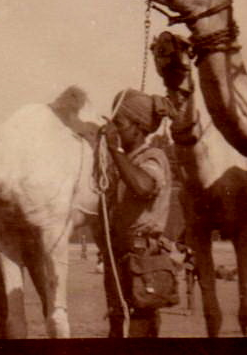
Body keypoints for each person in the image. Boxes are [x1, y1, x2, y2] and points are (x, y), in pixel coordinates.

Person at [97, 88, 175, 338]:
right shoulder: (125, 162)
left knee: (139, 328)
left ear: (139, 127)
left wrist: (115, 151)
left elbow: (143, 187)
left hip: (142, 261)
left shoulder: (153, 157)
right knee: (119, 327)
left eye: (119, 123)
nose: (115, 130)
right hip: (121, 259)